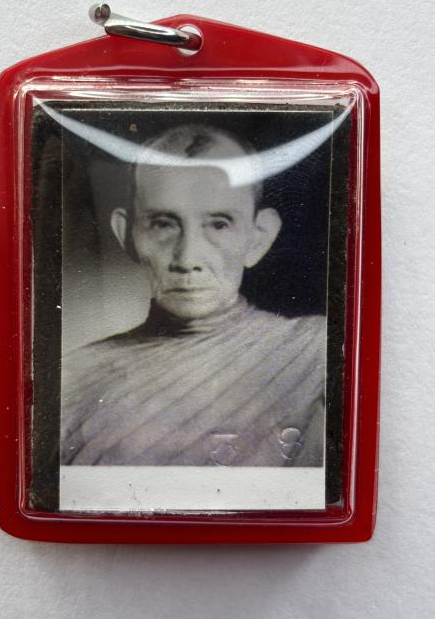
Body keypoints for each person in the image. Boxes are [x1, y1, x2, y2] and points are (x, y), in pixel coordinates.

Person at [60, 125, 325, 467]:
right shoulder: (72, 379)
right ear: (127, 235)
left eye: (219, 224)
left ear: (259, 237)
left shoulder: (315, 354)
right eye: (163, 224)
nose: (187, 259)